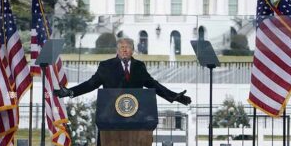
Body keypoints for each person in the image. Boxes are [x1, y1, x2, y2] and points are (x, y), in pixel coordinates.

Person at [53, 38, 191, 105]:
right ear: (117, 51)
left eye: (128, 47)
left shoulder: (139, 66)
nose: (124, 50)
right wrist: (71, 92)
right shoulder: (106, 66)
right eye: (121, 47)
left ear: (133, 50)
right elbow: (91, 84)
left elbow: (154, 85)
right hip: (111, 114)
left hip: (135, 114)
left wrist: (174, 97)